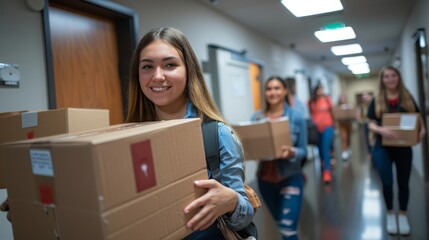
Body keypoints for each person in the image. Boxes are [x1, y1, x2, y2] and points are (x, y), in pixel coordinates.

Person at [125, 27, 254, 239]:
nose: (157, 76)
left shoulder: (216, 133)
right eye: (147, 66)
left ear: (188, 70)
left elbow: (245, 215)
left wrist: (230, 201)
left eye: (170, 65)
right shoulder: (129, 137)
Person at [367, 66, 426, 236]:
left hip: (403, 147)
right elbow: (370, 122)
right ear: (382, 80)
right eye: (386, 76)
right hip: (382, 147)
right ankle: (390, 213)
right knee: (386, 182)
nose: (390, 79)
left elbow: (418, 117)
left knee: (403, 182)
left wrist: (422, 130)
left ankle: (403, 215)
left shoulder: (407, 97)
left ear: (398, 78)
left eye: (393, 76)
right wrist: (381, 130)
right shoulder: (376, 99)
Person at [251, 76, 307, 240]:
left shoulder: (296, 117)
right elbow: (252, 146)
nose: (272, 92)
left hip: (290, 176)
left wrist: (292, 152)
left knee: (288, 229)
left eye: (276, 88)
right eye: (269, 89)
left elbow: (304, 150)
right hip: (265, 181)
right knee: (281, 225)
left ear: (284, 91)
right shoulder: (256, 118)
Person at [308, 84, 335, 183]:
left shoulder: (327, 99)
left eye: (322, 89)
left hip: (328, 127)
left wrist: (334, 125)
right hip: (316, 129)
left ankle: (327, 172)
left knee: (325, 148)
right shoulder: (311, 102)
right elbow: (311, 114)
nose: (321, 91)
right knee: (319, 149)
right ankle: (323, 164)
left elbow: (332, 112)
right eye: (319, 90)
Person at [336, 94, 353, 161]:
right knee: (344, 138)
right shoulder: (338, 107)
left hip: (349, 124)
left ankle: (348, 148)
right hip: (341, 124)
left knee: (348, 137)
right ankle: (344, 152)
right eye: (341, 98)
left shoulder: (349, 105)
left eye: (344, 98)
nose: (343, 99)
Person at [359, 90, 374, 160]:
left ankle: (374, 152)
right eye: (364, 97)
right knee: (367, 139)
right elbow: (361, 116)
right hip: (366, 124)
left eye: (366, 96)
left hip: (373, 123)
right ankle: (370, 152)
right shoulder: (362, 106)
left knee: (373, 138)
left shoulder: (373, 104)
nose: (365, 98)